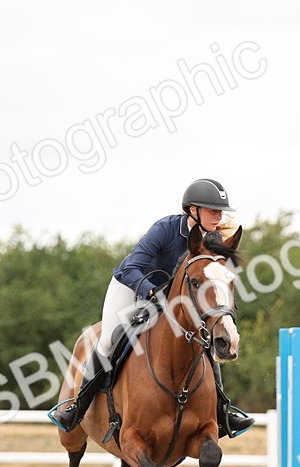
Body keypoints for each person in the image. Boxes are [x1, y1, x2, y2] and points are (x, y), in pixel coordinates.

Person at [47, 178, 255, 438]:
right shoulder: (165, 230)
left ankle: (222, 411)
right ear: (193, 210)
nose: (219, 216)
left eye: (220, 211)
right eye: (213, 210)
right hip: (131, 285)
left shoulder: (211, 239)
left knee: (204, 341)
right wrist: (149, 291)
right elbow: (130, 268)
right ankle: (78, 406)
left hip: (171, 298)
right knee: (110, 340)